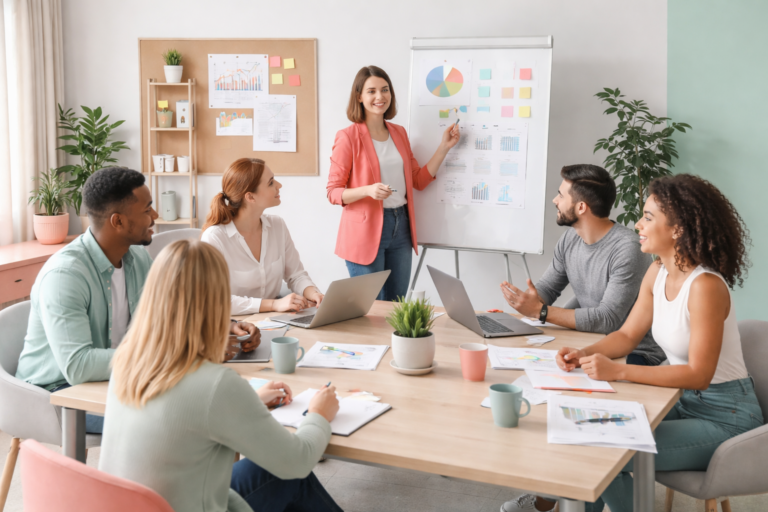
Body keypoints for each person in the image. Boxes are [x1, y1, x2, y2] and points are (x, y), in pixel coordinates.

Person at [504, 174, 763, 512]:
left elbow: (698, 374)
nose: (638, 224)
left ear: (678, 229)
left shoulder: (705, 287)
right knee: (584, 435)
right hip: (681, 402)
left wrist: (619, 372)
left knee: (601, 452)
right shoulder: (657, 272)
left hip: (725, 416)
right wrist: (583, 353)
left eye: (648, 217)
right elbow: (627, 336)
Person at [100, 239, 342, 512]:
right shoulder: (216, 385)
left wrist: (248, 402)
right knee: (293, 475)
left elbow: (186, 415)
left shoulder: (126, 361)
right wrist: (318, 415)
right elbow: (297, 461)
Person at [15, 167, 260, 433]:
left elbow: (169, 311)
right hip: (59, 395)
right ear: (118, 222)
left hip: (121, 376)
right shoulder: (65, 276)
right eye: (147, 209)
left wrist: (224, 326)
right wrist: (175, 354)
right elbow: (78, 366)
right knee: (185, 415)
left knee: (209, 396)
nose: (155, 215)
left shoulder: (136, 257)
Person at [500, 164, 665, 367]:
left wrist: (540, 311)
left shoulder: (628, 249)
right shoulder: (570, 238)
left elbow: (607, 319)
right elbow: (548, 288)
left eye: (561, 195)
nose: (555, 200)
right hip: (591, 341)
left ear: (581, 207)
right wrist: (528, 301)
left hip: (636, 353)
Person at [326, 65, 460, 300]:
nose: (380, 96)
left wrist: (444, 147)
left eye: (385, 89)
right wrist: (368, 190)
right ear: (359, 96)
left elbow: (418, 180)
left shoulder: (399, 133)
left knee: (396, 306)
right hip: (365, 231)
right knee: (372, 307)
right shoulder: (348, 137)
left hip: (401, 226)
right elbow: (333, 192)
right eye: (371, 91)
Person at [201, 158, 323, 315]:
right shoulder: (214, 238)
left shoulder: (277, 226)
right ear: (250, 197)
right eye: (271, 182)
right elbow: (215, 300)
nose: (279, 185)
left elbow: (296, 275)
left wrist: (314, 293)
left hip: (275, 320)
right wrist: (273, 304)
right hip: (235, 324)